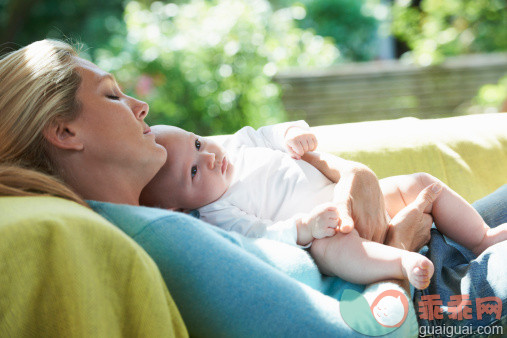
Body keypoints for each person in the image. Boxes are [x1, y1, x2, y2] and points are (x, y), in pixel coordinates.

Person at [0, 39, 505, 336]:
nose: (140, 106)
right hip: (439, 302)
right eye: (112, 95)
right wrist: (398, 246)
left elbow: (243, 150)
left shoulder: (172, 200)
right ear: (65, 132)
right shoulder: (164, 235)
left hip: (436, 260)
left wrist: (352, 174)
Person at [140, 123, 506, 290]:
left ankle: (480, 238)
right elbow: (261, 235)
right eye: (191, 171)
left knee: (421, 183)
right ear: (175, 209)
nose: (207, 159)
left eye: (199, 144)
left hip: (356, 196)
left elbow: (270, 133)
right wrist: (305, 228)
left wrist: (291, 137)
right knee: (332, 249)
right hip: (328, 228)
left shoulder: (237, 145)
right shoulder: (217, 216)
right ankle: (402, 262)